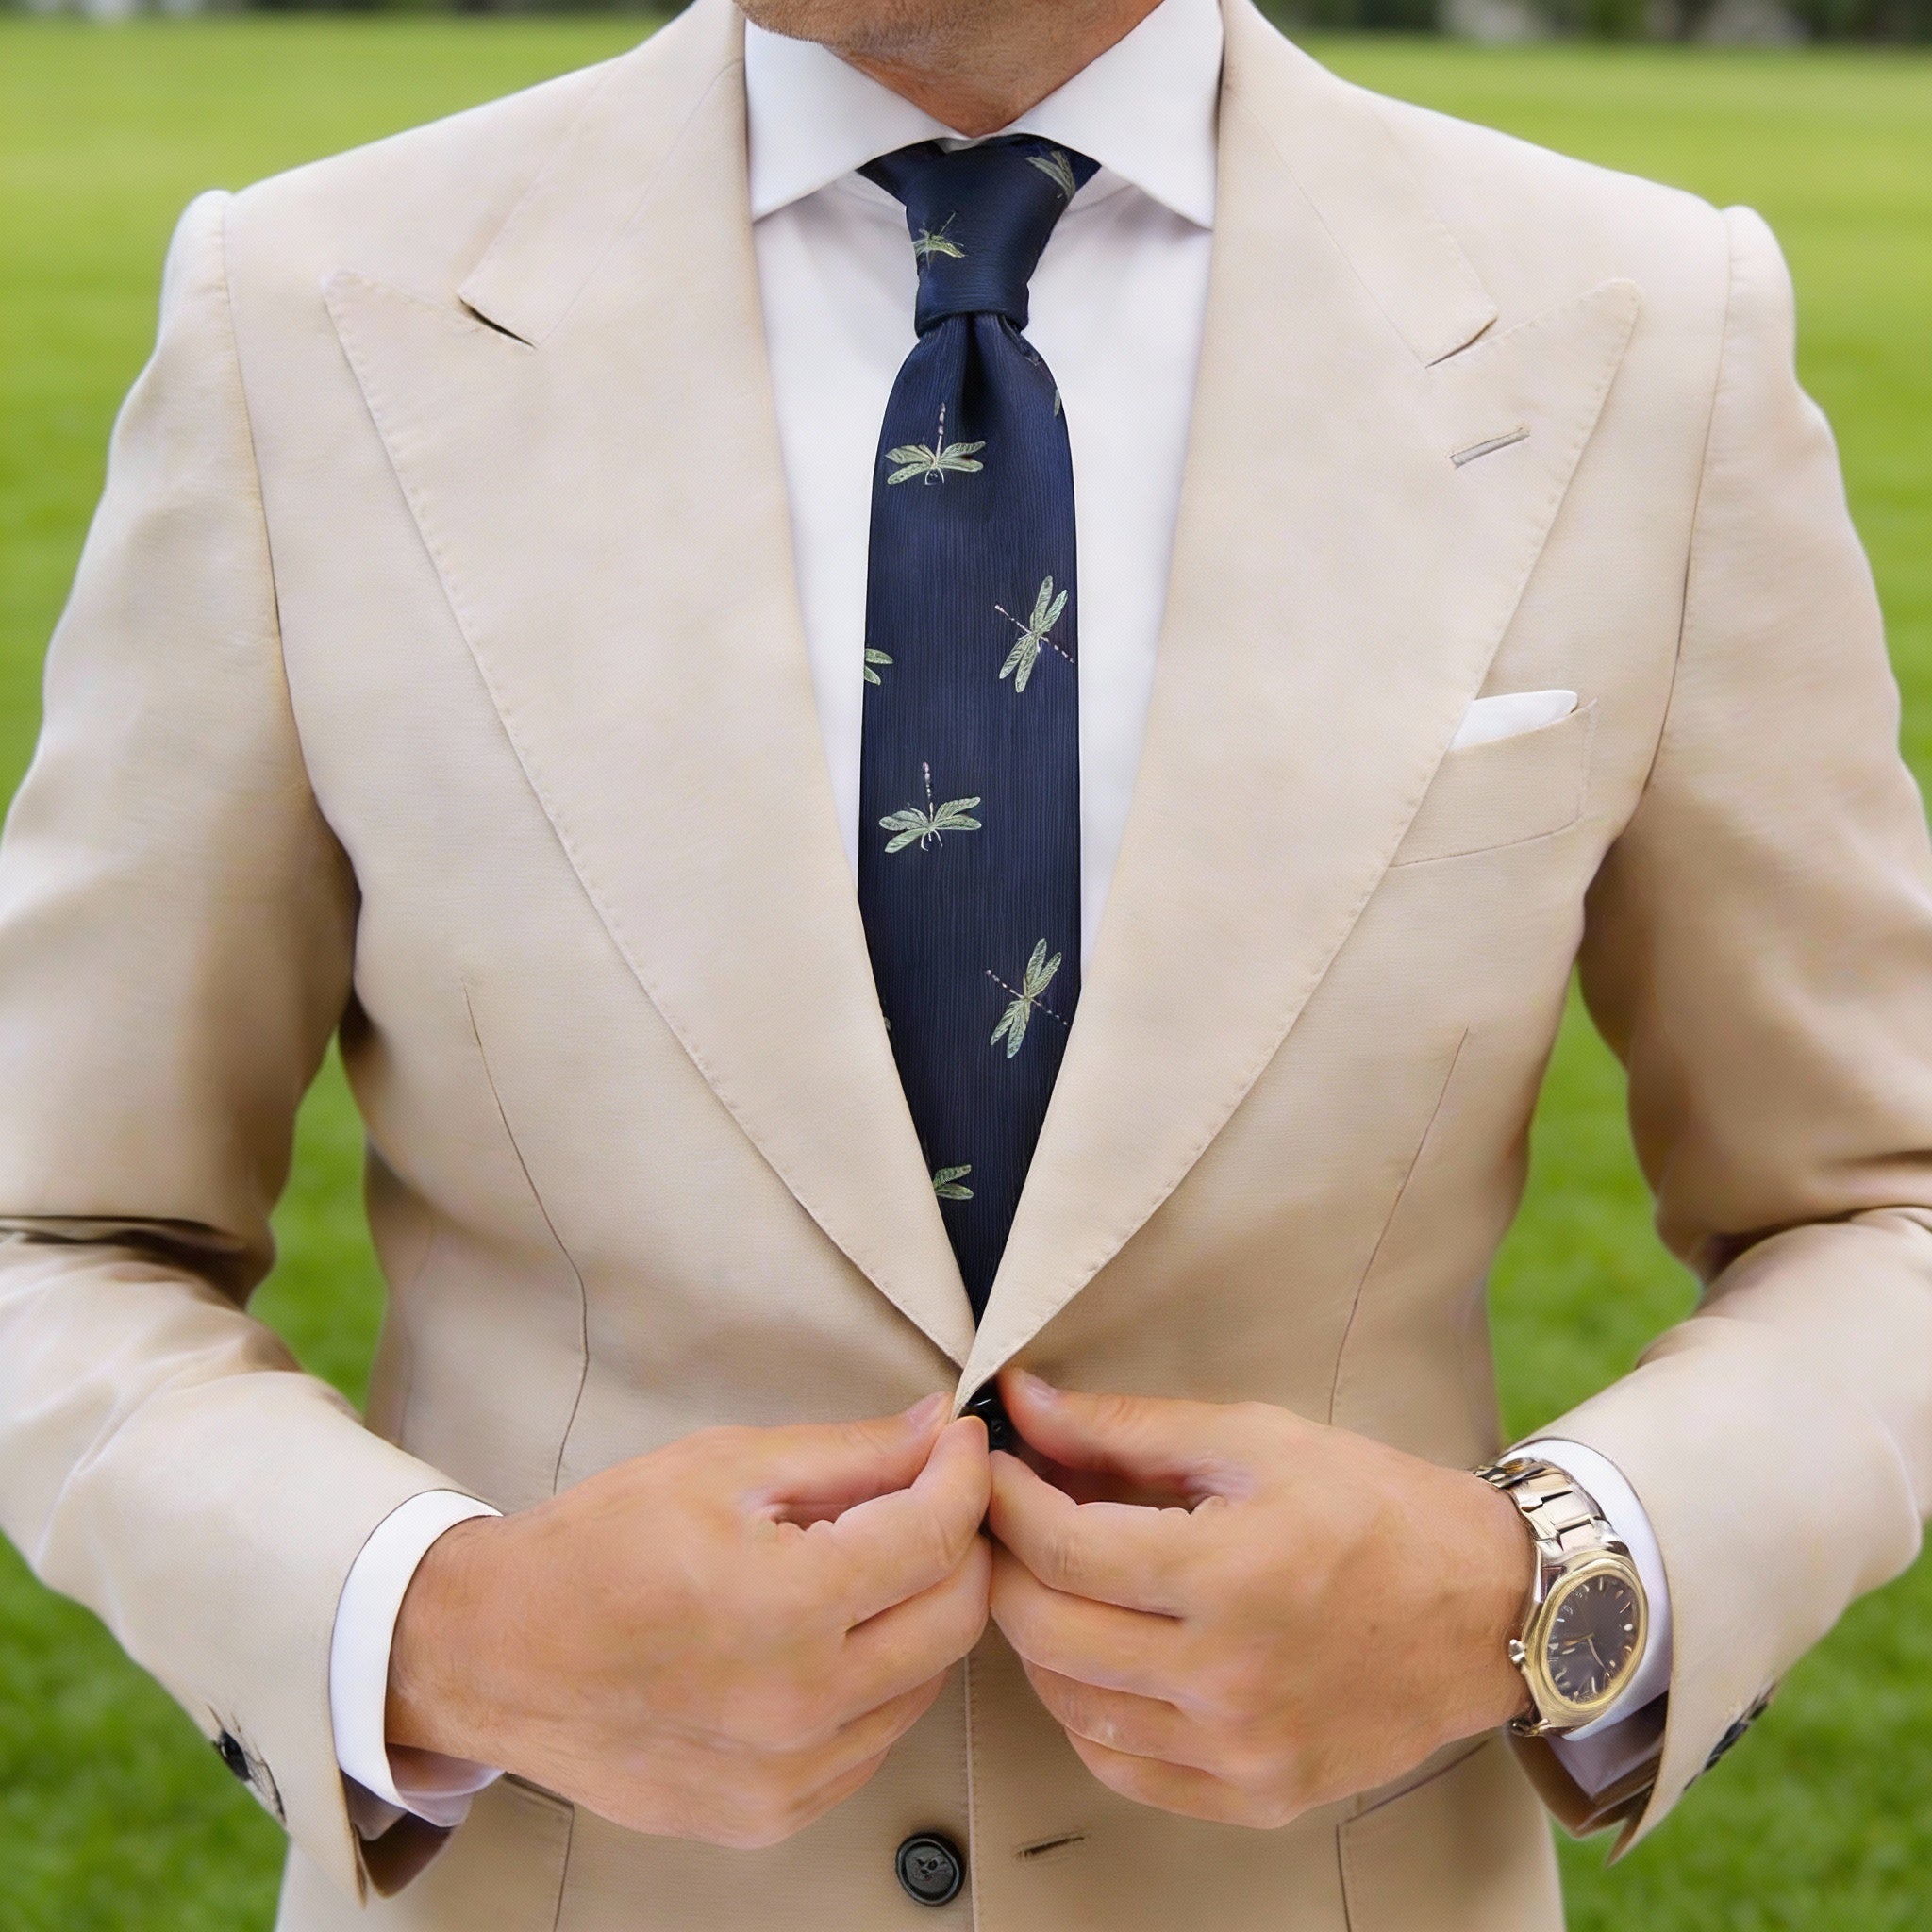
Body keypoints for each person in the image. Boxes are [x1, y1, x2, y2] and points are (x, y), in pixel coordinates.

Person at [2, 0, 1928, 1924]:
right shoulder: (308, 308)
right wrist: (441, 1628)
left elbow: (1879, 1205)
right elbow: (54, 1232)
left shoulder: (1642, 325)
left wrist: (1537, 1592)